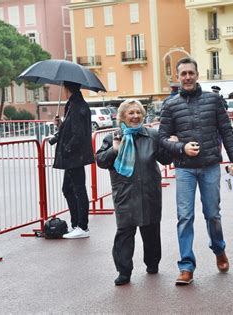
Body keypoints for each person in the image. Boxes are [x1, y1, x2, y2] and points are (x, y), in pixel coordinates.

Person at [159, 57, 233, 286]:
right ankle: (186, 266)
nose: (187, 77)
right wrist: (181, 147)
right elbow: (162, 138)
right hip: (184, 168)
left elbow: (226, 131)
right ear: (177, 77)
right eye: (183, 73)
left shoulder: (213, 100)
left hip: (210, 166)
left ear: (197, 74)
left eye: (190, 73)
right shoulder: (170, 105)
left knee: (212, 214)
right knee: (185, 217)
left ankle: (219, 249)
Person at [96, 99, 173, 286]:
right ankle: (124, 271)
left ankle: (152, 263)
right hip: (125, 191)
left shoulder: (152, 135)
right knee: (124, 232)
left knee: (151, 229)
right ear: (122, 117)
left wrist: (172, 146)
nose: (135, 116)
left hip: (149, 190)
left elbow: (164, 160)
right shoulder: (113, 137)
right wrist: (114, 150)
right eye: (131, 113)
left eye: (138, 112)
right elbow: (101, 161)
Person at [52, 81, 94, 239]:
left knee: (77, 189)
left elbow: (78, 134)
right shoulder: (74, 105)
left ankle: (81, 226)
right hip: (75, 156)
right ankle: (77, 224)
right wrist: (60, 125)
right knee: (69, 189)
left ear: (67, 88)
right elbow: (72, 130)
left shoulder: (76, 107)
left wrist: (67, 149)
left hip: (75, 156)